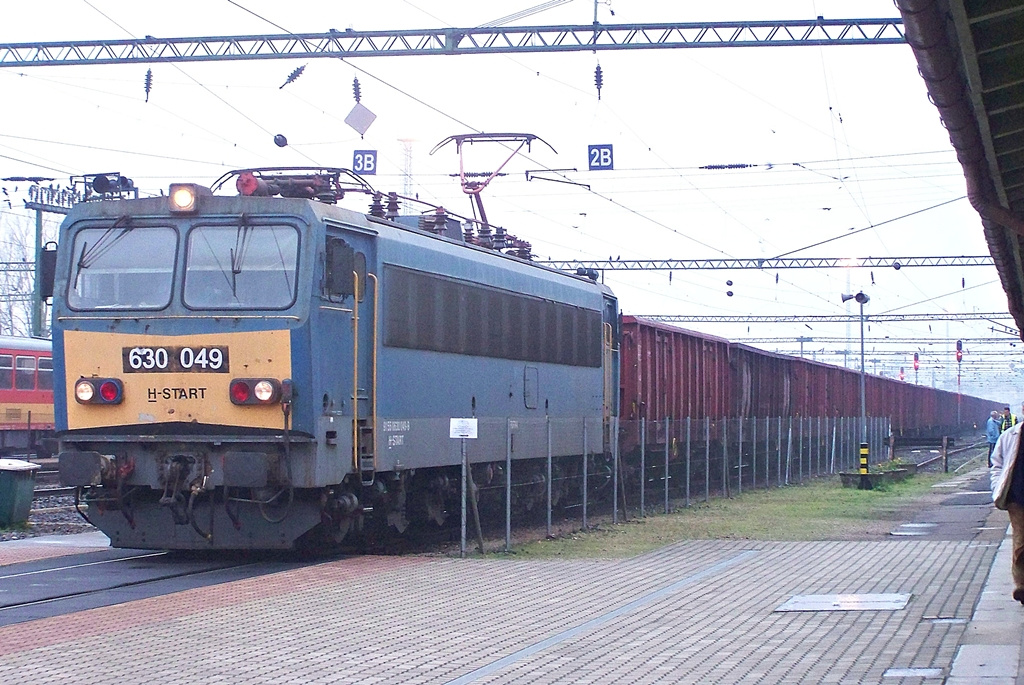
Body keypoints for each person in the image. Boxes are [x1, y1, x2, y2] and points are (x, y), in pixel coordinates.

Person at [991, 412, 1024, 605]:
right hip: (1017, 499)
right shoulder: (1010, 436)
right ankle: (1021, 586)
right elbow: (997, 464)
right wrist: (998, 487)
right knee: (1020, 543)